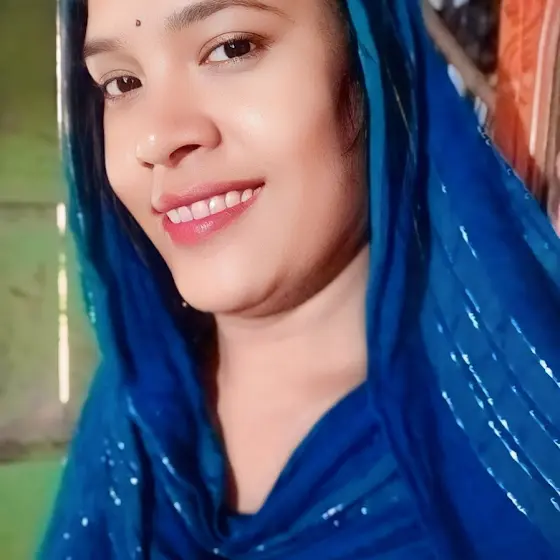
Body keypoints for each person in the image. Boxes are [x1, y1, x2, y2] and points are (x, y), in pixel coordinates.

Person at [41, 0, 560, 558]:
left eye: (232, 48)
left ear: (368, 60)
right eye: (121, 83)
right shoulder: (134, 419)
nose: (156, 139)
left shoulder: (523, 441)